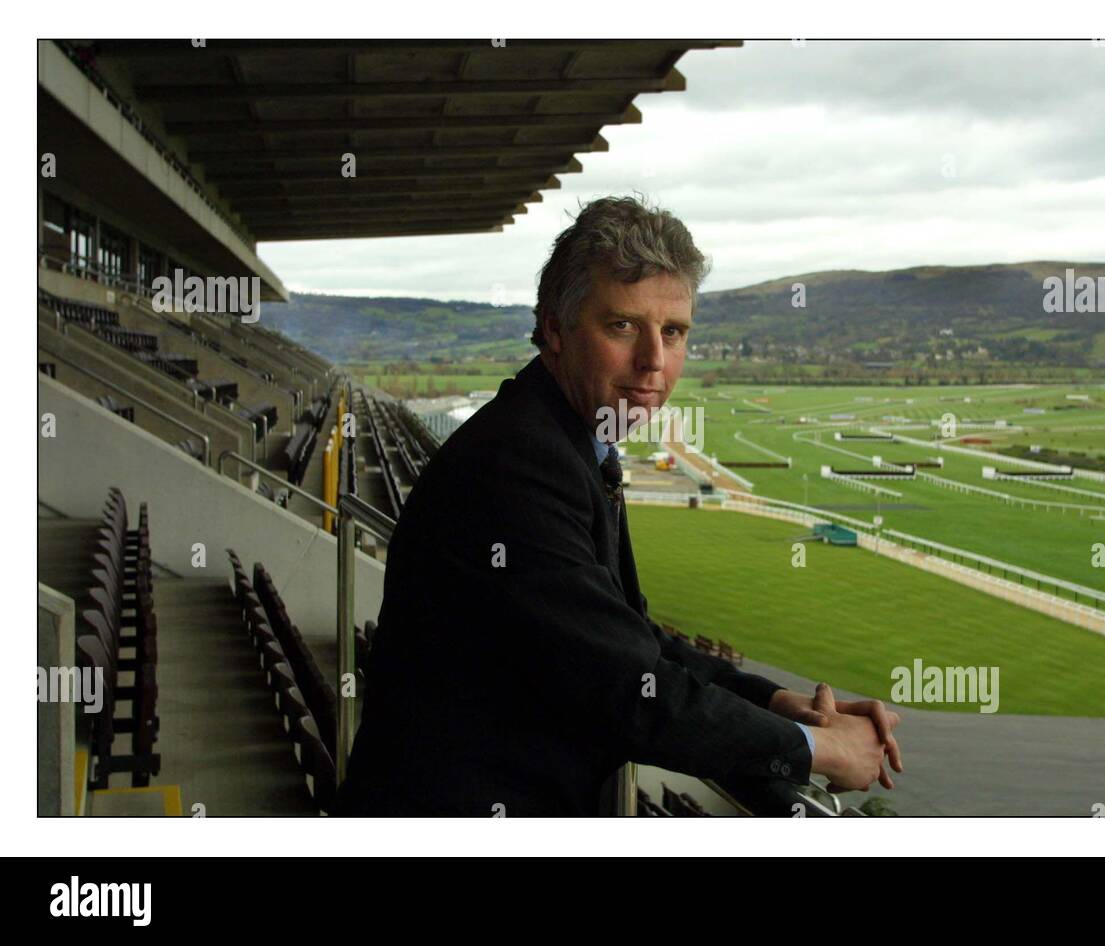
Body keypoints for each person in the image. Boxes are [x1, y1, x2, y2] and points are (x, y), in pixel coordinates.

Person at [335, 195, 901, 816]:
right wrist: (818, 748)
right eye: (623, 326)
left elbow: (629, 637)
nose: (654, 362)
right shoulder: (519, 463)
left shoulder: (566, 437)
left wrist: (771, 702)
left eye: (674, 332)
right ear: (555, 328)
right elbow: (627, 691)